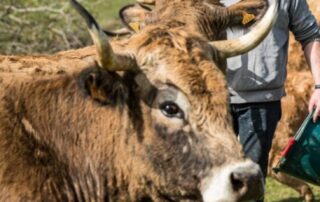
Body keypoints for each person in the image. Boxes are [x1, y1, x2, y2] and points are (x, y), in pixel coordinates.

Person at [221, 0, 320, 200]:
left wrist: (319, 85)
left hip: (262, 100)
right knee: (212, 178)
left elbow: (310, 34)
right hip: (213, 99)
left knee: (251, 182)